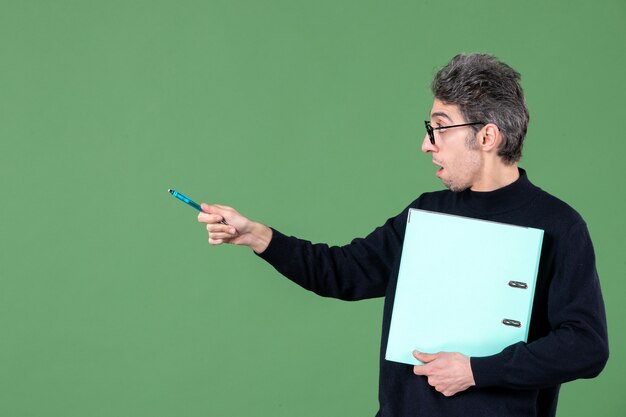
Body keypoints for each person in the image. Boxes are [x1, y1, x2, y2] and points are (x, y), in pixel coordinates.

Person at [197, 53, 609, 417]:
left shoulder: (559, 225)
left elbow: (586, 346)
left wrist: (475, 371)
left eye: (439, 128)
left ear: (486, 136)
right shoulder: (425, 212)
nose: (426, 145)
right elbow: (340, 271)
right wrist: (256, 235)